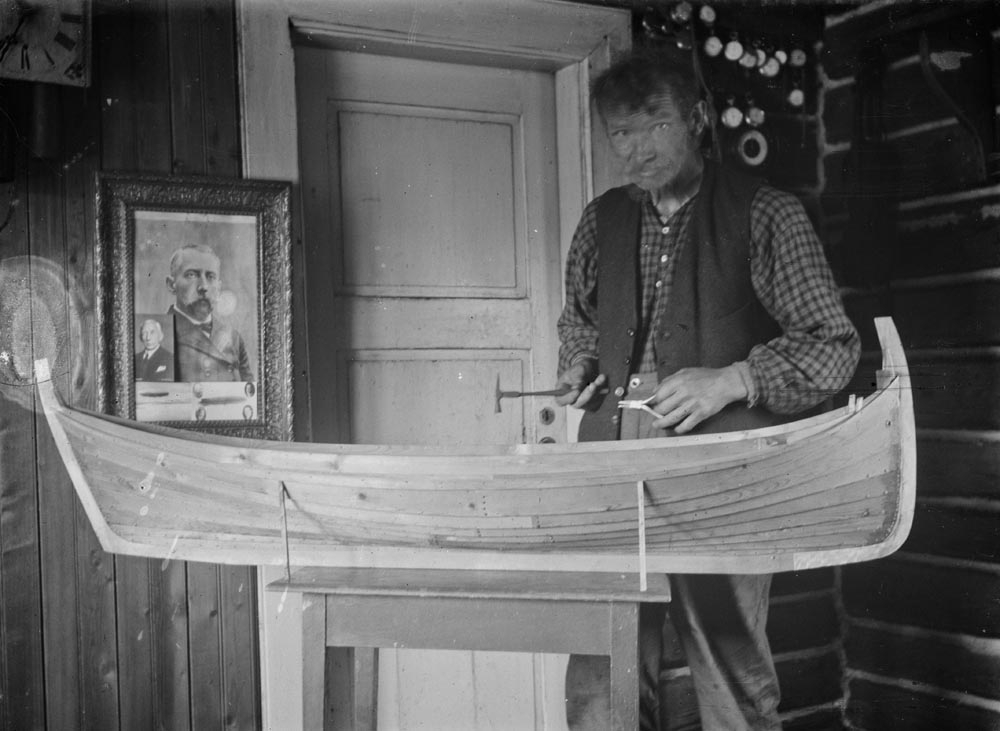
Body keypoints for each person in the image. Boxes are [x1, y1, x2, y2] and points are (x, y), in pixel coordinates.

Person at [554, 48, 860, 731]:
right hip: (610, 465)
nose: (635, 149)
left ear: (693, 118)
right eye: (620, 132)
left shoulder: (764, 213)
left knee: (727, 665)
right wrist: (580, 364)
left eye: (654, 124)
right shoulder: (600, 221)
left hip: (721, 470)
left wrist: (734, 378)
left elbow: (834, 344)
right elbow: (577, 320)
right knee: (602, 663)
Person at [166, 243, 253, 382]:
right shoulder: (161, 334)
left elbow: (251, 397)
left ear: (218, 287)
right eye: (191, 275)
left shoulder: (234, 338)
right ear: (171, 285)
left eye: (211, 276)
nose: (204, 287)